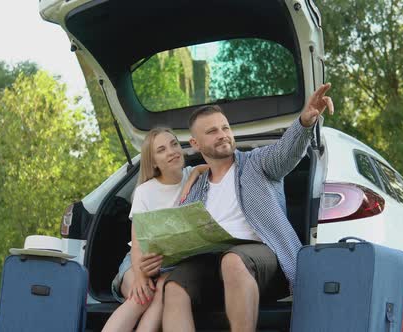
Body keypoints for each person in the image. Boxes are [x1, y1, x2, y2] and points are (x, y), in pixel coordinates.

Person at [161, 83, 335, 332]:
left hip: (265, 259)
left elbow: (286, 152)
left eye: (225, 128)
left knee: (233, 260)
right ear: (196, 144)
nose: (222, 134)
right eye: (212, 131)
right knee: (174, 285)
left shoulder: (257, 163)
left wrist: (305, 122)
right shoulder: (195, 186)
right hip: (212, 263)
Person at [102, 127, 208, 332]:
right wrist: (141, 276)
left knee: (160, 296)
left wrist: (195, 172)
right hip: (138, 261)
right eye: (161, 150)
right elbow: (137, 240)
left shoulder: (193, 177)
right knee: (141, 297)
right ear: (153, 162)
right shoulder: (145, 191)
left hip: (170, 267)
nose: (171, 151)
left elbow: (217, 166)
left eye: (174, 144)